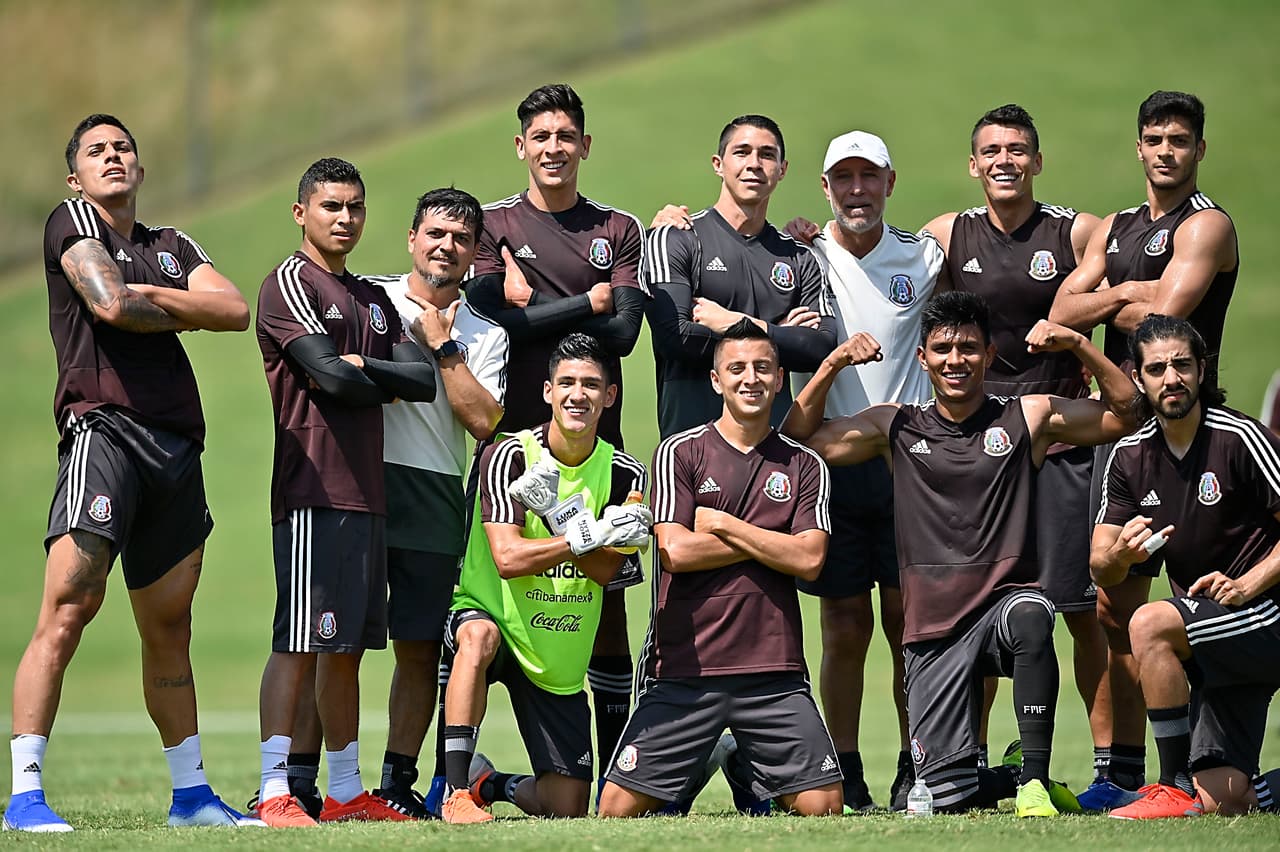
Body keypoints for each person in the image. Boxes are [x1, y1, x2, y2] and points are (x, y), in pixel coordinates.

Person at [785, 291, 1136, 816]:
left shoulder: (1029, 418)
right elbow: (798, 440)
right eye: (943, 348)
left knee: (1034, 613)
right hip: (933, 629)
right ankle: (1007, 775)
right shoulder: (895, 425)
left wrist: (1077, 343)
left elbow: (1125, 413)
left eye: (969, 348)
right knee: (944, 798)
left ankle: (1034, 781)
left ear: (990, 355)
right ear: (922, 357)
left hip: (1003, 609)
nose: (956, 360)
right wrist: (834, 360)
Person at [6, 114, 252, 833]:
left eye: (123, 149)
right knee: (71, 604)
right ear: (74, 176)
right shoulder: (72, 219)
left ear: (140, 170)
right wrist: (186, 309)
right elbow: (108, 303)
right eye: (96, 150)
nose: (113, 157)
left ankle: (192, 798)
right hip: (104, 431)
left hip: (176, 445)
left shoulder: (172, 246)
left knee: (169, 626)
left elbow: (233, 308)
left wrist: (163, 300)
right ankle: (23, 798)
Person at [1049, 91, 1239, 807]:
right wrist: (1129, 287)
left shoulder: (1208, 224)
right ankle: (1123, 773)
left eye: (1180, 140)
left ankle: (1213, 761)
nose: (1166, 150)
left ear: (1198, 150)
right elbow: (1061, 310)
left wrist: (1111, 297)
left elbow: (1166, 319)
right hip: (1125, 436)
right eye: (1155, 139)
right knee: (1112, 603)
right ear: (1139, 148)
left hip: (1196, 434)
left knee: (1200, 599)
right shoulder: (1121, 225)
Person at [460, 85, 647, 798]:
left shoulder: (618, 229)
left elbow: (626, 334)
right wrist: (582, 303)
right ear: (521, 146)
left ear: (585, 146)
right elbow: (490, 322)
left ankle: (614, 779)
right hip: (515, 449)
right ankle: (453, 779)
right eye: (540, 135)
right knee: (488, 600)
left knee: (609, 602)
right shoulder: (492, 223)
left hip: (602, 448)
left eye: (566, 135)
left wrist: (531, 306)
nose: (553, 147)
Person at [920, 104, 1110, 793]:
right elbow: (875, 265)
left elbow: (1124, 294)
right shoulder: (946, 235)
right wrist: (808, 236)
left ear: (1037, 160)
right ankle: (965, 765)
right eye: (991, 151)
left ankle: (1108, 770)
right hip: (979, 451)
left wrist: (1074, 330)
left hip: (1060, 438)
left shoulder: (1077, 230)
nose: (1004, 160)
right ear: (973, 164)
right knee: (975, 605)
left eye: (1017, 150)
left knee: (1080, 609)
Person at [253, 157, 437, 827]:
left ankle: (344, 792)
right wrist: (359, 369)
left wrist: (367, 367)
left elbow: (422, 381)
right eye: (332, 206)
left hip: (367, 495)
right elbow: (329, 377)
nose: (346, 217)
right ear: (302, 212)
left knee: (347, 649)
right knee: (299, 642)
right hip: (314, 490)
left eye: (355, 206)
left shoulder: (371, 299)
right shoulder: (289, 282)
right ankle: (275, 789)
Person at [598, 320, 843, 819]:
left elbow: (811, 560)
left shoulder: (805, 465)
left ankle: (746, 767)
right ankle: (710, 755)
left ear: (779, 380)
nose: (750, 379)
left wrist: (728, 526)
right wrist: (773, 541)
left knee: (824, 807)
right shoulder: (680, 451)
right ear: (716, 381)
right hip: (688, 669)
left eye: (763, 368)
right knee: (616, 810)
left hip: (773, 671)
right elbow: (677, 553)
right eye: (737, 369)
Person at [783, 129, 946, 810]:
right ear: (825, 189)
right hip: (828, 466)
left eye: (868, 177)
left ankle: (918, 768)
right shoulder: (800, 255)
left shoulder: (924, 256)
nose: (856, 190)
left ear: (889, 182)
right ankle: (844, 769)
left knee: (910, 626)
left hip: (909, 467)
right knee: (844, 626)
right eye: (843, 178)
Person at [437, 333, 650, 824]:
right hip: (492, 614)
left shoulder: (625, 474)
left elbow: (605, 571)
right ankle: (455, 793)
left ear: (610, 396)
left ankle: (490, 783)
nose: (579, 394)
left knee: (567, 806)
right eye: (568, 383)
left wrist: (558, 513)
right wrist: (583, 534)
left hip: (557, 646)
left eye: (592, 385)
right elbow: (508, 558)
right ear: (548, 391)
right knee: (477, 636)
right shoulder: (509, 456)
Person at [1091, 315, 1280, 819]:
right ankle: (1207, 792)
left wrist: (1246, 584)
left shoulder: (1240, 438)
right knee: (1225, 796)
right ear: (1138, 378)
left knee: (1150, 622)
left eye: (1182, 365)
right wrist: (1120, 557)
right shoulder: (1129, 456)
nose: (1170, 378)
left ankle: (1170, 785)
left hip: (1267, 615)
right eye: (1157, 368)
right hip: (1213, 635)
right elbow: (1100, 568)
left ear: (1201, 370)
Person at [370, 188, 508, 818]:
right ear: (411, 238)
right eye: (435, 233)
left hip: (435, 493)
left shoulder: (487, 333)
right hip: (359, 486)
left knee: (420, 648)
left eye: (460, 238)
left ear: (475, 253)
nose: (445, 246)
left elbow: (484, 421)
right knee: (330, 644)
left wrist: (443, 346)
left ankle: (398, 781)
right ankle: (302, 781)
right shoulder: (370, 297)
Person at [644, 113, 836, 438]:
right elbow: (674, 338)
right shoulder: (676, 237)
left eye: (767, 155)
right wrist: (777, 337)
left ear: (782, 169)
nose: (754, 163)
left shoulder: (801, 257)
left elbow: (820, 347)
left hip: (775, 458)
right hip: (691, 449)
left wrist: (736, 323)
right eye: (742, 152)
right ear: (718, 163)